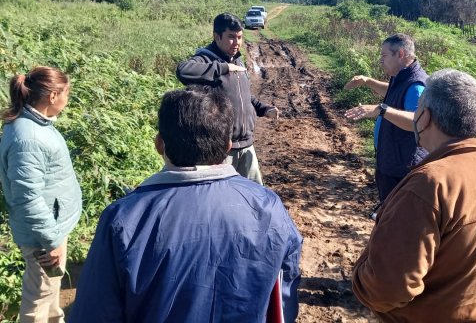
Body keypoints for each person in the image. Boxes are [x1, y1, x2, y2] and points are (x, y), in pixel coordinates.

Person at [69, 85, 302, 323]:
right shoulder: (267, 206)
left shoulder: (123, 219)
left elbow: (93, 312)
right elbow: (283, 300)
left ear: (159, 144)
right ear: (228, 145)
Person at [352, 69, 476, 322]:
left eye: (417, 111)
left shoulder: (428, 185)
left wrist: (361, 271)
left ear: (424, 117)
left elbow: (384, 290)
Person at [0, 66, 82, 323]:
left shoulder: (35, 123)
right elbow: (27, 198)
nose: (69, 99)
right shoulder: (29, 138)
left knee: (49, 289)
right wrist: (52, 239)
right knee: (37, 299)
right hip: (44, 236)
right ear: (53, 96)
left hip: (51, 229)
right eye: (67, 93)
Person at [176, 12, 278, 185]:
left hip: (246, 144)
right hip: (221, 148)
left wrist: (262, 108)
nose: (236, 43)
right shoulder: (206, 58)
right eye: (231, 37)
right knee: (221, 194)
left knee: (253, 193)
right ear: (217, 36)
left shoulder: (237, 59)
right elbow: (183, 70)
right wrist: (223, 68)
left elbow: (243, 94)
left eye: (239, 37)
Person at [344, 33, 428, 206]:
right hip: (391, 159)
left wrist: (381, 110)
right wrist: (368, 81)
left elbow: (416, 121)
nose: (380, 60)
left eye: (384, 55)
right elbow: (394, 93)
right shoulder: (402, 77)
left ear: (401, 54)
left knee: (396, 216)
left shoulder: (416, 85)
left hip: (401, 168)